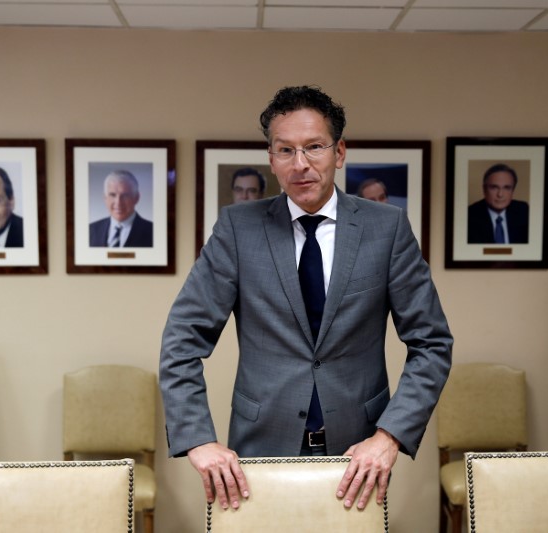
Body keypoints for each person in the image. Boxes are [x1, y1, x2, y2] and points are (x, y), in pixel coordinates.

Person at [159, 86, 452, 513]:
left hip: (359, 457)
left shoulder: (385, 229)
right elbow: (182, 339)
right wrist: (196, 438)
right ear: (271, 159)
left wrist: (389, 437)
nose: (301, 164)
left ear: (340, 151)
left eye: (314, 147)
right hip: (258, 454)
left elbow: (431, 343)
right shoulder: (238, 229)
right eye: (285, 150)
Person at [467, 163, 529, 244]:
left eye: (507, 188)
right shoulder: (469, 216)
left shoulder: (524, 211)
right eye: (494, 187)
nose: (500, 194)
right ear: (484, 189)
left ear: (513, 190)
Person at [89, 170, 153, 247]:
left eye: (125, 195)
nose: (118, 202)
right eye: (112, 195)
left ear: (136, 198)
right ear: (105, 198)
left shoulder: (153, 232)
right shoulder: (90, 230)